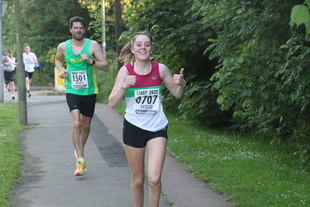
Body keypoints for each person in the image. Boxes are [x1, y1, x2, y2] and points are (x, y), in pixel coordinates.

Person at [108, 31, 186, 207]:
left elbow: (178, 94)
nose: (143, 48)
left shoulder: (160, 69)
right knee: (137, 180)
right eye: (139, 45)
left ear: (151, 48)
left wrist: (182, 84)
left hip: (157, 127)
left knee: (154, 179)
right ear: (133, 49)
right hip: (134, 128)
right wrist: (124, 86)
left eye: (147, 45)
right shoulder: (125, 71)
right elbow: (111, 103)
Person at [55, 16, 109, 176]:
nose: (78, 30)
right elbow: (57, 61)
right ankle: (80, 159)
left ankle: (80, 151)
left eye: (81, 28)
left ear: (84, 30)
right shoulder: (63, 46)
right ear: (70, 29)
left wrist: (91, 61)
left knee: (85, 126)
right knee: (76, 124)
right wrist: (62, 70)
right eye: (75, 28)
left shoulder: (92, 45)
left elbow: (105, 66)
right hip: (72, 89)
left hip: (89, 91)